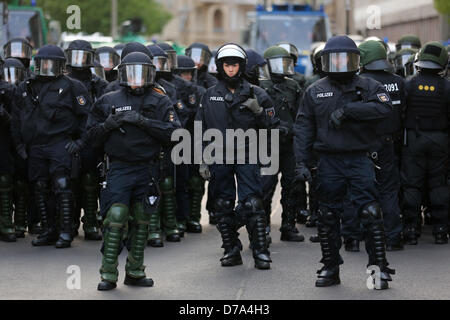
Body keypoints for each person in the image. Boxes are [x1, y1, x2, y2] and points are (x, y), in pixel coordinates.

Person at [294, 35, 395, 289]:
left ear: (356, 61)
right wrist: (300, 163)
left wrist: (351, 110)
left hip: (360, 159)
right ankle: (330, 267)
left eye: (345, 59)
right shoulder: (315, 90)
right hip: (328, 161)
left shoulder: (368, 86)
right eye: (334, 59)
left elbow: (385, 109)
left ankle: (378, 270)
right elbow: (304, 128)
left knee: (371, 213)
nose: (340, 64)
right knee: (327, 215)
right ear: (325, 62)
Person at [87, 52, 181, 290]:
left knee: (142, 220)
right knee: (116, 217)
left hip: (148, 167)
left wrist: (143, 122)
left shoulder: (160, 100)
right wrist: (108, 125)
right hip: (119, 168)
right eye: (132, 73)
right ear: (122, 74)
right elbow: (90, 137)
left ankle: (135, 272)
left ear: (151, 74)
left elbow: (175, 134)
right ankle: (108, 274)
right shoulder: (108, 100)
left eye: (142, 73)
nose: (137, 79)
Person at [195, 43, 279, 269]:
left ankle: (261, 251)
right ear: (221, 67)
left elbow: (274, 127)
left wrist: (259, 112)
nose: (230, 69)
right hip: (219, 155)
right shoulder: (209, 95)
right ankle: (231, 249)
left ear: (241, 67)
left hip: (248, 154)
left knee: (252, 203)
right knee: (222, 203)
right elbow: (200, 128)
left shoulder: (257, 93)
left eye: (234, 65)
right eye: (226, 65)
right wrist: (201, 157)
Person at [12, 45, 91, 248]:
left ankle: (65, 231)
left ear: (60, 66)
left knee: (63, 187)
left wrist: (80, 143)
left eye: (50, 64)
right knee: (40, 188)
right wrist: (20, 146)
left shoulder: (73, 86)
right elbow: (16, 119)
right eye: (42, 63)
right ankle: (48, 229)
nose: (45, 67)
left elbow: (87, 118)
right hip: (35, 146)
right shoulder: (26, 87)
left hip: (60, 144)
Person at [401, 41, 450, 245]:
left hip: (414, 138)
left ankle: (411, 230)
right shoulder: (447, 87)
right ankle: (440, 230)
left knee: (412, 184)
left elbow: (400, 113)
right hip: (440, 139)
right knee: (438, 184)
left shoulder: (409, 84)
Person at [358, 40, 405, 251]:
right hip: (389, 143)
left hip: (363, 144)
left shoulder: (359, 83)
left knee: (361, 190)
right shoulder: (399, 82)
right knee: (389, 191)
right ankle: (393, 237)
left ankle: (361, 236)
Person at [259, 46, 304, 242]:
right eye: (278, 63)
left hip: (289, 143)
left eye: (285, 63)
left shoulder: (293, 85)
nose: (282, 67)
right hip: (268, 144)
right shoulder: (259, 87)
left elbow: (301, 115)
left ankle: (288, 225)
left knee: (292, 185)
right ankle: (263, 227)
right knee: (265, 187)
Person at [66, 40, 109, 241]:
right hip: (69, 139)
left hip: (92, 140)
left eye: (83, 56)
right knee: (69, 183)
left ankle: (91, 221)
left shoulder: (99, 85)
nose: (79, 62)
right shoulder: (62, 82)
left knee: (92, 182)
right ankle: (70, 223)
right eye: (75, 56)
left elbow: (104, 112)